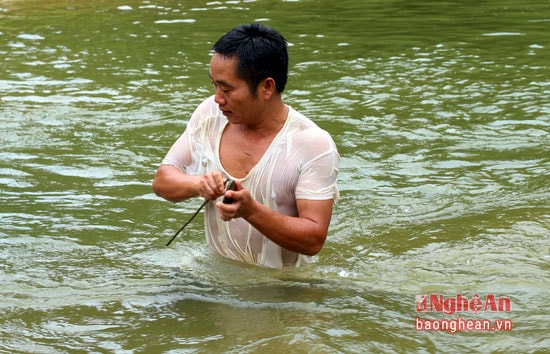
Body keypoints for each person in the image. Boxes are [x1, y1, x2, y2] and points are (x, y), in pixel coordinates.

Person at [152, 23, 339, 269]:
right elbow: (162, 181)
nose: (218, 98)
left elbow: (314, 240)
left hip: (282, 287)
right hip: (215, 273)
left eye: (226, 88)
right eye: (215, 85)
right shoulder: (210, 115)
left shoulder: (312, 144)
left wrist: (251, 211)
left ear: (266, 87)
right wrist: (199, 184)